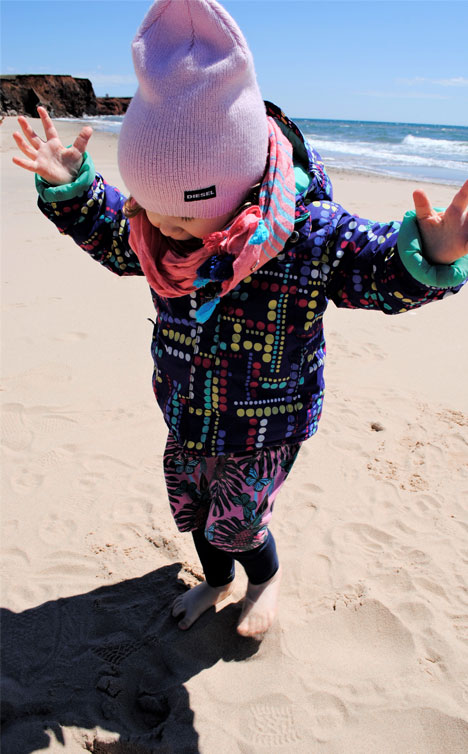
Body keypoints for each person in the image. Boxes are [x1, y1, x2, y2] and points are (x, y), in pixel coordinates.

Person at [12, 0, 468, 638]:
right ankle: (217, 580)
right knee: (193, 510)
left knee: (240, 520)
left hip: (266, 421)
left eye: (182, 222)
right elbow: (115, 232)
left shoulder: (305, 234)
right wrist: (73, 191)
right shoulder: (153, 230)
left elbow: (372, 268)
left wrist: (431, 254)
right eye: (153, 213)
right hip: (188, 409)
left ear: (237, 191)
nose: (164, 236)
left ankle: (263, 578)